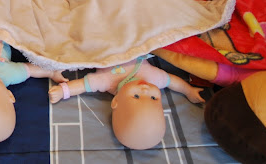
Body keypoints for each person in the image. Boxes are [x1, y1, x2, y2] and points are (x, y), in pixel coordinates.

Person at [48, 56, 205, 150]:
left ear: (116, 101)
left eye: (136, 96)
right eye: (153, 98)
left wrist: (62, 91)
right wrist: (188, 91)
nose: (145, 90)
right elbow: (172, 81)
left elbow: (82, 86)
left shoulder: (107, 81)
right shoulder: (154, 79)